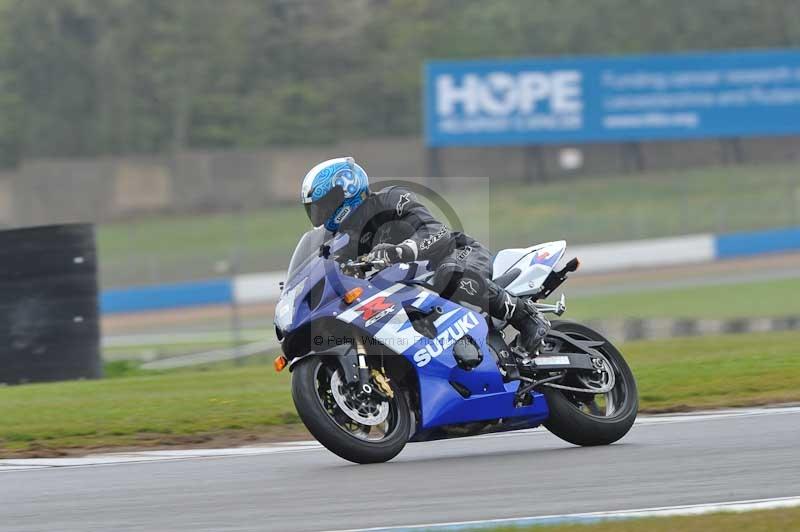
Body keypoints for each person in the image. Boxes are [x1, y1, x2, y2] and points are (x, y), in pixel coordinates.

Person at [300, 156, 550, 364]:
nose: (321, 215)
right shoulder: (343, 240)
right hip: (412, 288)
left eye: (325, 205)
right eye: (315, 209)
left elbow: (436, 232)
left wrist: (399, 251)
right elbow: (332, 271)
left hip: (457, 253)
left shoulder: (391, 200)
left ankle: (528, 319)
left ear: (346, 191)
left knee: (449, 275)